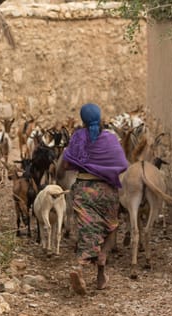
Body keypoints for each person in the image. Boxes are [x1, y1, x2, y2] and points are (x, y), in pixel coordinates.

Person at [62, 103, 129, 294]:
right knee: (111, 226)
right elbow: (122, 163)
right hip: (106, 191)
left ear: (82, 120)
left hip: (83, 190)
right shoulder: (110, 138)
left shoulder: (77, 137)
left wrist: (81, 162)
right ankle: (101, 268)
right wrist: (104, 169)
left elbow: (66, 165)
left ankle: (80, 266)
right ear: (100, 118)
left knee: (87, 229)